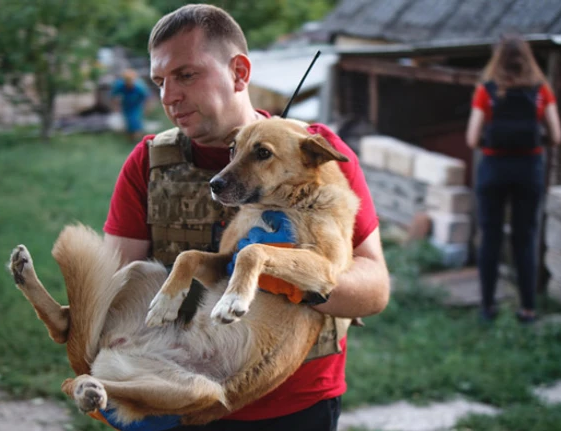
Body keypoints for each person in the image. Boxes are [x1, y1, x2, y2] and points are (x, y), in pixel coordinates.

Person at [102, 4, 390, 430]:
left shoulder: (316, 153)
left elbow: (375, 290)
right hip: (177, 395)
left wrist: (293, 276)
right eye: (160, 82)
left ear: (239, 72)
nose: (168, 97)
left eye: (186, 75)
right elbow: (116, 289)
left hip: (294, 406)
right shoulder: (148, 164)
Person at [465, 34, 561, 324]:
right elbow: (557, 136)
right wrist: (537, 141)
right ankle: (528, 309)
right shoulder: (541, 91)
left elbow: (472, 138)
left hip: (493, 168)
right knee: (525, 238)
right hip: (529, 169)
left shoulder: (487, 91)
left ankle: (487, 307)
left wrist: (492, 141)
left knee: (490, 237)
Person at [111, 68, 150, 142]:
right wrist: (115, 106)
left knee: (136, 121)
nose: (128, 83)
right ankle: (130, 139)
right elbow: (113, 95)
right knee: (128, 122)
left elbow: (147, 98)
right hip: (126, 105)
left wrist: (146, 109)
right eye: (126, 81)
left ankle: (139, 138)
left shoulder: (140, 87)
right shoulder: (120, 85)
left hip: (137, 105)